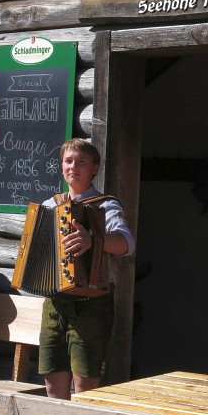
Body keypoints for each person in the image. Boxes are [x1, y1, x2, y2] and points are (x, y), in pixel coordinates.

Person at [39, 138, 135, 398]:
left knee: (84, 387)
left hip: (90, 303)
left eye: (81, 161)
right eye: (68, 161)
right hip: (54, 303)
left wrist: (93, 239)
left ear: (95, 168)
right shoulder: (49, 206)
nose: (73, 167)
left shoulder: (105, 205)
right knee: (52, 382)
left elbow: (128, 244)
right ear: (61, 167)